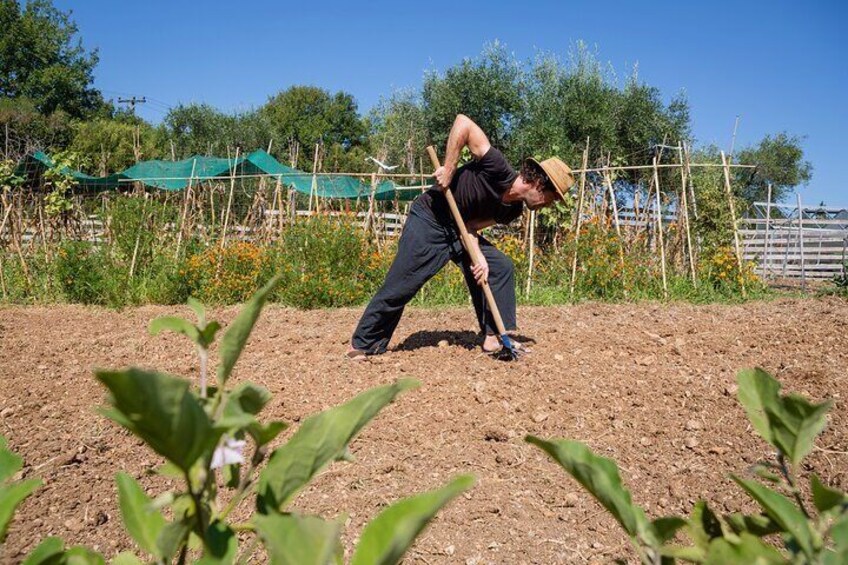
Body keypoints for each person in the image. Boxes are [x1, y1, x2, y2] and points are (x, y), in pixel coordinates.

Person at [348, 114, 575, 359]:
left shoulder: (513, 209)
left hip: (460, 232)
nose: (548, 206)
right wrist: (449, 168)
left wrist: (479, 259)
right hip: (430, 220)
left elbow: (470, 227)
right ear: (540, 184)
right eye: (552, 199)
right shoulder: (497, 167)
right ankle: (363, 344)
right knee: (402, 284)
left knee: (499, 267)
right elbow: (463, 123)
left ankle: (494, 337)